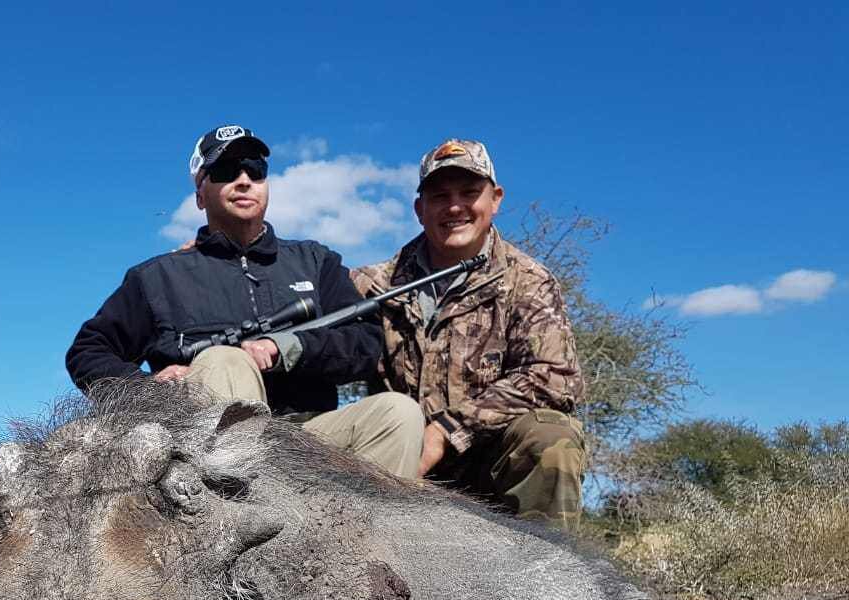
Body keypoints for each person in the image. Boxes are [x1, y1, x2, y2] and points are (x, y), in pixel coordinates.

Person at [66, 124, 423, 479]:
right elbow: (87, 351)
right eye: (225, 171)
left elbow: (364, 344)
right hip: (205, 448)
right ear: (200, 195)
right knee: (225, 360)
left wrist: (286, 348)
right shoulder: (156, 277)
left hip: (312, 436)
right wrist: (148, 387)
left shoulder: (316, 262)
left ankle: (368, 535)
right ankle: (241, 523)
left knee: (398, 413)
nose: (244, 180)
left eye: (255, 169)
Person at [351, 138, 586, 528]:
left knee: (552, 438)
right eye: (440, 196)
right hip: (396, 462)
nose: (455, 206)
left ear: (495, 199)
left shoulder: (529, 280)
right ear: (419, 209)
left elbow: (556, 378)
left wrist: (447, 431)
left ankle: (547, 582)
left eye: (469, 193)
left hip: (485, 461)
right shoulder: (373, 285)